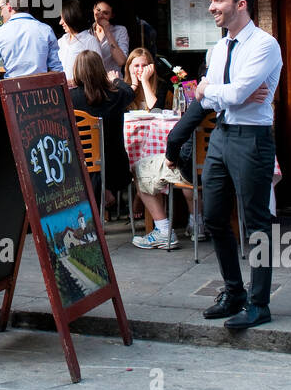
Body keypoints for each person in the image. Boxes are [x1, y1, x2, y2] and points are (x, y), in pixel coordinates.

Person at [195, 0, 282, 328]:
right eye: (211, 1)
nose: (212, 7)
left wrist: (213, 90)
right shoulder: (218, 49)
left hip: (253, 138)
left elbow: (237, 91)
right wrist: (220, 92)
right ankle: (234, 293)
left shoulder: (265, 45)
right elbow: (219, 95)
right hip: (222, 134)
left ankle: (259, 304)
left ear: (241, 4)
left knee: (257, 222)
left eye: (218, 0)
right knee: (214, 216)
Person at [131, 98, 212, 250]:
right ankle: (197, 224)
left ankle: (163, 230)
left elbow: (176, 136)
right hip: (225, 169)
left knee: (139, 168)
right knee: (192, 170)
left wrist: (171, 157)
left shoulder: (204, 100)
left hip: (192, 171)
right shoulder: (240, 98)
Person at [69, 49, 134, 215]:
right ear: (101, 70)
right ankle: (106, 191)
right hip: (115, 167)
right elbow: (130, 93)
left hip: (79, 170)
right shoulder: (115, 94)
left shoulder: (68, 98)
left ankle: (100, 194)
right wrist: (115, 81)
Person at [0, 0, 63, 83]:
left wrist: (1, 91)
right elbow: (56, 70)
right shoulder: (46, 30)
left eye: (1, 8)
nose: (1, 14)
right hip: (42, 93)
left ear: (9, 7)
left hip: (11, 93)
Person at [57, 0, 102, 84]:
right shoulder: (61, 41)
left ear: (72, 17)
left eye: (63, 18)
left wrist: (76, 82)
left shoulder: (89, 40)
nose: (60, 22)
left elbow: (98, 71)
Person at [90, 0, 128, 76]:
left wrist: (107, 31)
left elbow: (121, 61)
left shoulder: (120, 31)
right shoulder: (87, 33)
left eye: (105, 13)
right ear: (94, 9)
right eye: (98, 10)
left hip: (113, 81)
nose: (100, 15)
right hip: (93, 82)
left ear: (112, 15)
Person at [125, 47, 167, 111]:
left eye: (144, 65)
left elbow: (156, 110)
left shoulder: (160, 85)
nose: (141, 69)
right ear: (129, 67)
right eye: (136, 66)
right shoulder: (124, 86)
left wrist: (145, 81)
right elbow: (119, 109)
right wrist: (134, 85)